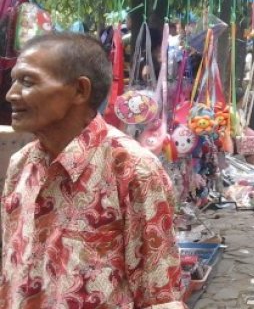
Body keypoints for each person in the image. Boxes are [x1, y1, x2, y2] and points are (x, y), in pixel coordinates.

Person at [1, 33, 184, 308]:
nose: (11, 94)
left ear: (79, 91)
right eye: (14, 80)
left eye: (28, 81)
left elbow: (159, 296)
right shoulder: (20, 165)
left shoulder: (133, 171)